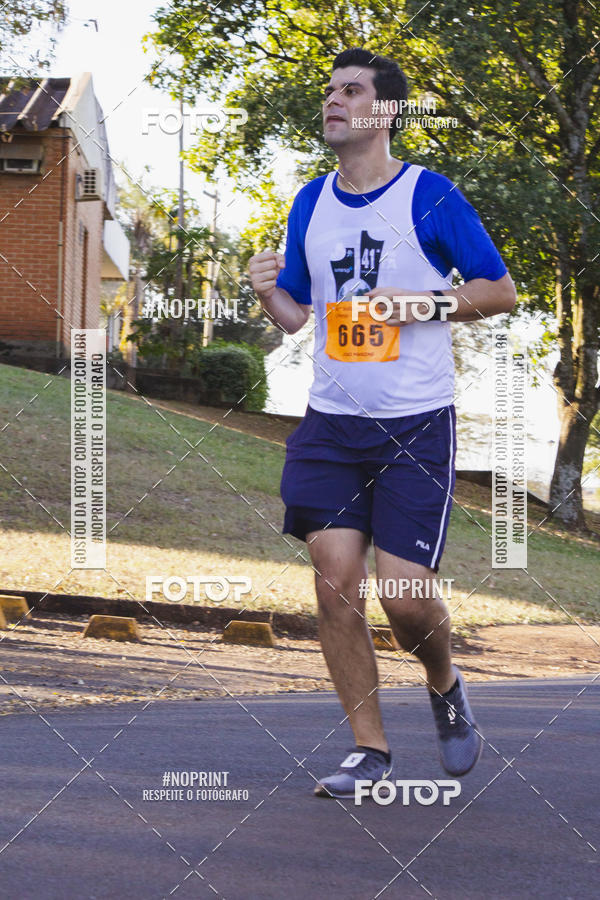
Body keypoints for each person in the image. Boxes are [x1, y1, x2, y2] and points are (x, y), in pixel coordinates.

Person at [248, 47, 516, 799]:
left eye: (351, 91)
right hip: (331, 424)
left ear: (386, 111)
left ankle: (444, 681)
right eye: (328, 90)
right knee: (336, 588)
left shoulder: (430, 196)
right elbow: (299, 319)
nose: (333, 100)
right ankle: (370, 750)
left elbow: (501, 291)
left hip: (414, 424)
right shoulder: (311, 201)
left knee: (404, 596)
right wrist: (268, 292)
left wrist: (422, 305)